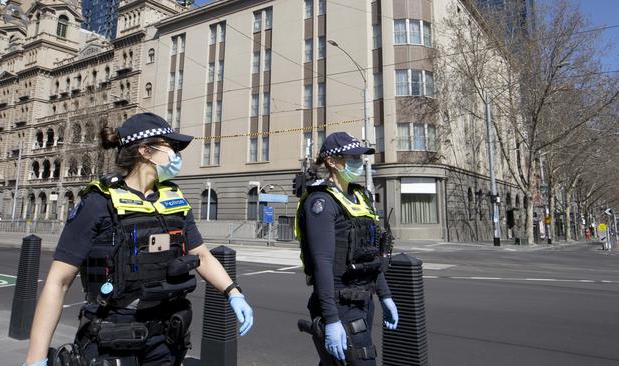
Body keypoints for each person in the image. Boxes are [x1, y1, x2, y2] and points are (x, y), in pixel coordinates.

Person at [23, 113, 254, 366]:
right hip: (114, 337)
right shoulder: (99, 202)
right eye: (171, 146)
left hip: (166, 339)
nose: (176, 155)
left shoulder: (174, 201)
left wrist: (233, 293)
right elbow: (59, 282)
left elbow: (202, 256)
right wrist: (36, 358)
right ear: (145, 150)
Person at [295, 132, 399, 366]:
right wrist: (331, 320)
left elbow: (371, 254)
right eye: (352, 157)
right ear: (332, 161)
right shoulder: (321, 201)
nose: (358, 162)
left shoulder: (361, 196)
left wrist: (385, 295)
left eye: (359, 157)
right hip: (340, 302)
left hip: (364, 299)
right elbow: (322, 262)